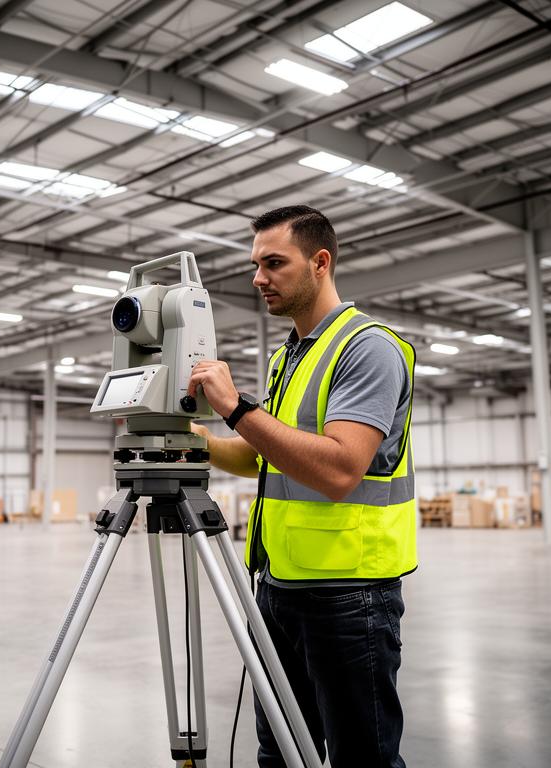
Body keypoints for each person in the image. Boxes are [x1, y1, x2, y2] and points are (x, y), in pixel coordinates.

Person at [187, 205, 416, 768]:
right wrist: (194, 440)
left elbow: (339, 469)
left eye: (273, 263)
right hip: (279, 587)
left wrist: (235, 406)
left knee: (363, 758)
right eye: (254, 264)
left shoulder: (368, 348)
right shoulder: (287, 356)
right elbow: (264, 455)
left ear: (320, 262)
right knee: (283, 754)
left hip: (348, 594)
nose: (258, 278)